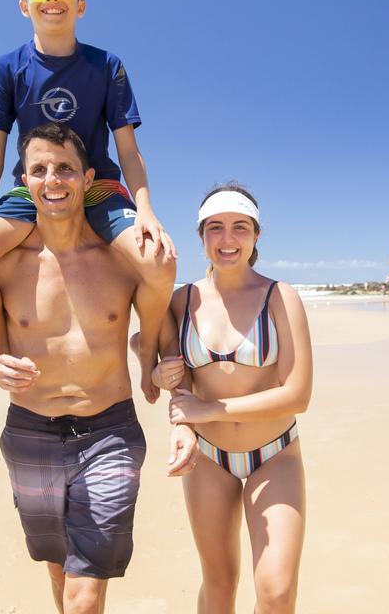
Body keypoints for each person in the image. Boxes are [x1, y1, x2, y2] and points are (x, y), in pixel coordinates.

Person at [0, 123, 184, 614]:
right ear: (25, 182)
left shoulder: (121, 262)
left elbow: (160, 339)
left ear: (88, 176)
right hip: (30, 432)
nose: (52, 180)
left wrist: (162, 374)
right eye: (39, 170)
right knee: (59, 568)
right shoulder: (7, 266)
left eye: (65, 169)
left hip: (110, 431)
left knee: (85, 590)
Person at [0, 0, 176, 403]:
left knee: (159, 261)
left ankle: (145, 348)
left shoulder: (106, 66)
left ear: (81, 4)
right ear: (23, 4)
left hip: (97, 186)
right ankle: (0, 346)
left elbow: (128, 147)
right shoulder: (6, 68)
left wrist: (146, 209)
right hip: (34, 189)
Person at [149, 183, 313, 613]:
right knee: (219, 584)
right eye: (215, 228)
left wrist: (208, 408)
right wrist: (155, 371)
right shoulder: (179, 301)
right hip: (208, 458)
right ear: (201, 236)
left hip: (274, 454)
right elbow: (149, 364)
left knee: (276, 593)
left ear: (256, 235)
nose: (227, 239)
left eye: (240, 227)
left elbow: (298, 394)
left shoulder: (280, 297)